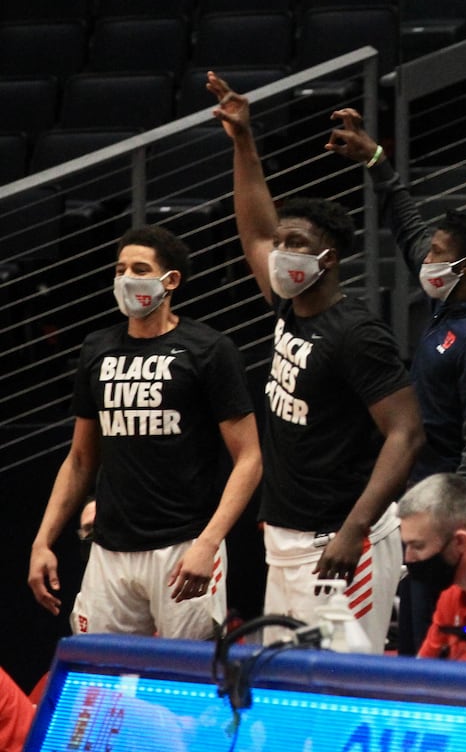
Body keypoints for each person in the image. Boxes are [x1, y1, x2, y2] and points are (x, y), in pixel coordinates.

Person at [208, 72, 424, 652]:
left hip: (339, 542)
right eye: (282, 243)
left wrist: (354, 529)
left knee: (345, 691)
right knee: (288, 686)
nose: (280, 253)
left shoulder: (358, 332)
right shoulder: (286, 304)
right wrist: (243, 142)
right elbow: (254, 225)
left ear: (328, 259)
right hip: (285, 541)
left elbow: (406, 433)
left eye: (295, 244)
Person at [325, 107, 466, 653]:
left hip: (452, 519)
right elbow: (408, 225)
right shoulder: (448, 305)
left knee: (445, 650)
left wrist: (448, 525)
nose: (425, 260)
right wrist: (377, 162)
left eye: (438, 255)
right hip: (424, 505)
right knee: (417, 641)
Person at [27, 226, 262, 638]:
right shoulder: (97, 349)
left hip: (184, 543)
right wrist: (42, 541)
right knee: (102, 678)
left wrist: (208, 543)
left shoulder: (208, 349)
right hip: (109, 547)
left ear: (170, 281)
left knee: (185, 680)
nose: (126, 279)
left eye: (139, 268)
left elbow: (250, 457)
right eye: (120, 269)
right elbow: (81, 458)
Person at [398, 473, 466, 662]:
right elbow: (423, 672)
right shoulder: (452, 594)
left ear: (459, 541)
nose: (408, 558)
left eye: (418, 546)